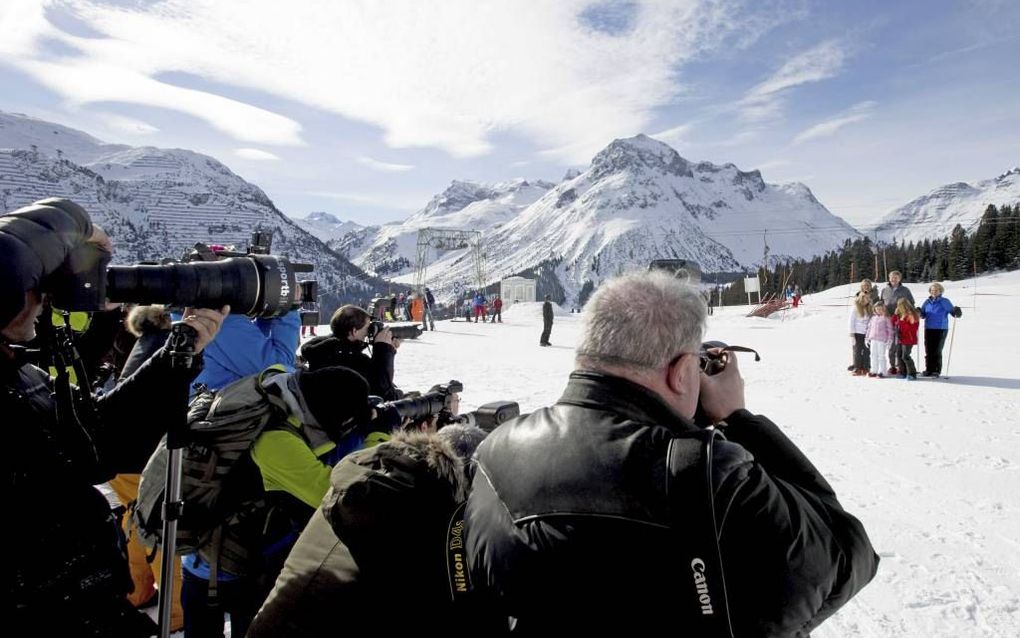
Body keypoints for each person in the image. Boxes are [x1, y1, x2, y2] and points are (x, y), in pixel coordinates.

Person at [466, 270, 878, 635]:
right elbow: (845, 556)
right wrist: (738, 417)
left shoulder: (493, 451)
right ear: (682, 373)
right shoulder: (703, 474)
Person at [1, 198, 226, 637]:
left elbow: (95, 445)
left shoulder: (17, 373)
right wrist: (71, 223)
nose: (44, 298)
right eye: (36, 285)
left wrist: (181, 349)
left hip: (79, 604)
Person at [300, 304, 403, 400]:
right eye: (367, 328)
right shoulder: (356, 362)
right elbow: (385, 394)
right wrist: (384, 350)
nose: (369, 332)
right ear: (354, 331)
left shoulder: (322, 351)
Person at [919, 282, 961, 378]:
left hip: (941, 328)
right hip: (929, 328)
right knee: (928, 350)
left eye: (936, 290)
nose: (934, 292)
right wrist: (919, 312)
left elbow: (952, 312)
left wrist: (956, 312)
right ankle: (929, 369)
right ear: (930, 291)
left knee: (937, 350)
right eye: (932, 290)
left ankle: (936, 370)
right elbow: (923, 314)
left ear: (940, 291)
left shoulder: (945, 301)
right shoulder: (927, 302)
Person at [881, 271, 915, 375]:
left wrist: (911, 313)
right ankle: (892, 366)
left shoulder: (905, 290)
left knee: (900, 345)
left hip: (901, 321)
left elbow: (911, 303)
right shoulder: (884, 290)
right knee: (891, 345)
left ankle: (901, 366)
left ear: (899, 279)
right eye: (891, 277)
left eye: (896, 278)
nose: (893, 279)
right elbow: (880, 304)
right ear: (889, 278)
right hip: (888, 321)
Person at [892, 298, 920, 380]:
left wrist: (901, 322)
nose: (901, 307)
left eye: (903, 305)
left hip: (908, 338)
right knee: (899, 355)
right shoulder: (899, 314)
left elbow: (912, 327)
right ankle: (902, 371)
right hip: (900, 338)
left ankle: (912, 373)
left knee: (905, 356)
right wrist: (895, 315)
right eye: (899, 305)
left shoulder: (911, 314)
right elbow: (893, 322)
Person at [865, 302, 894, 378]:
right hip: (873, 339)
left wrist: (890, 340)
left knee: (881, 356)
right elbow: (869, 328)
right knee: (873, 355)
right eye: (877, 309)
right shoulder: (873, 318)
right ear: (874, 309)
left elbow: (890, 330)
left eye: (880, 309)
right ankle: (874, 370)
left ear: (883, 309)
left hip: (882, 340)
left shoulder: (886, 318)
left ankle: (882, 371)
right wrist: (867, 338)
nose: (879, 311)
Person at [848, 294, 872, 376]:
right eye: (865, 298)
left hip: (867, 333)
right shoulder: (855, 308)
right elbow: (851, 321)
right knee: (857, 350)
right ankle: (857, 367)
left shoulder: (869, 308)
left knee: (866, 350)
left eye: (868, 298)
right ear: (861, 298)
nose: (867, 300)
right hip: (857, 333)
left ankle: (866, 367)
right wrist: (852, 333)